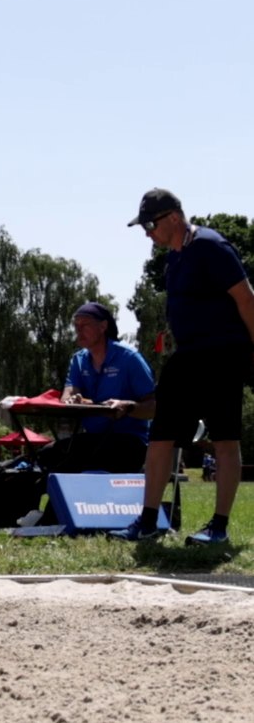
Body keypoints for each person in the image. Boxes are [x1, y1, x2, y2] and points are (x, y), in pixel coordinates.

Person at [110, 189, 254, 544]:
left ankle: (218, 528)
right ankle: (147, 522)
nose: (147, 233)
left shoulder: (211, 246)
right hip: (187, 357)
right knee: (160, 438)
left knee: (224, 439)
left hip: (223, 355)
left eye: (150, 224)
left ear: (173, 217)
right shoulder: (173, 259)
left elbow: (246, 298)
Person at [36, 302, 156, 475]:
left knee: (73, 458)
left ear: (103, 326)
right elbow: (68, 394)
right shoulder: (78, 360)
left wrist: (128, 407)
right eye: (76, 326)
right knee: (47, 455)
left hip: (129, 442)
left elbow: (153, 407)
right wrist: (74, 399)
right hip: (93, 439)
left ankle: (60, 500)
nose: (78, 331)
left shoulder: (129, 358)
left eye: (84, 325)